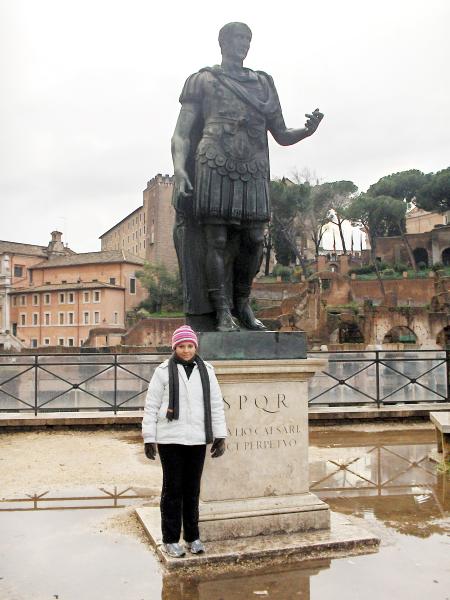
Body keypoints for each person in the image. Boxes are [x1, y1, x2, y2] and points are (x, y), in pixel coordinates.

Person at [171, 21, 323, 333]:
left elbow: (281, 134)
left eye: (247, 39)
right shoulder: (202, 80)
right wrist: (179, 171)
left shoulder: (263, 84)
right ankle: (223, 310)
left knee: (254, 239)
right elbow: (181, 134)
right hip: (213, 161)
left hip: (253, 166)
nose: (243, 44)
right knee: (217, 239)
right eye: (237, 38)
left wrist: (307, 130)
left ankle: (242, 302)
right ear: (222, 42)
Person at [142, 325, 227, 558]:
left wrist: (220, 435)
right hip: (170, 438)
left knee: (192, 489)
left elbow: (216, 405)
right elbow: (151, 406)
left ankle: (192, 536)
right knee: (172, 490)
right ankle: (170, 539)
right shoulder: (162, 372)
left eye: (190, 346)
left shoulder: (207, 370)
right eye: (182, 346)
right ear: (174, 347)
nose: (186, 350)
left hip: (198, 438)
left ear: (195, 347)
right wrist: (149, 438)